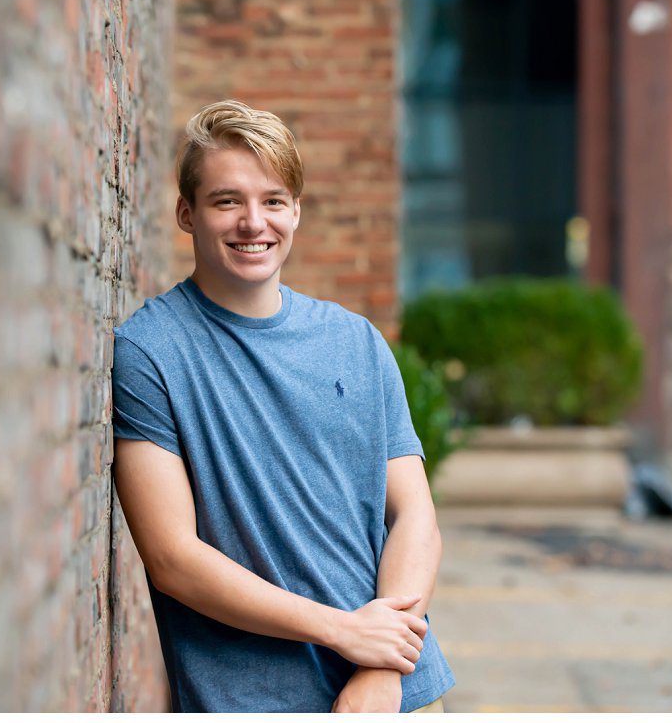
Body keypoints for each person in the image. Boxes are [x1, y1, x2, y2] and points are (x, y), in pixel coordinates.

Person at [112, 102, 453, 716]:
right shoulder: (150, 352)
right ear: (186, 214)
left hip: (394, 693)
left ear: (296, 210)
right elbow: (173, 560)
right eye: (226, 201)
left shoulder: (357, 341)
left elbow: (415, 516)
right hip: (250, 700)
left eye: (273, 200)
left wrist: (381, 668)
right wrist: (342, 631)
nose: (252, 222)